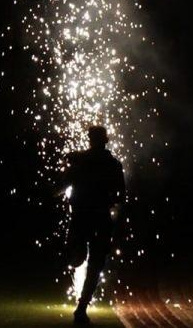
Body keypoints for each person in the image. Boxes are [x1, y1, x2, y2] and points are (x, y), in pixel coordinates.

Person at [61, 126, 126, 324]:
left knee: (81, 258)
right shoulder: (112, 164)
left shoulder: (80, 160)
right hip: (99, 219)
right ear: (105, 140)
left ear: (90, 140)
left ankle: (81, 305)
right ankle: (82, 306)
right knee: (95, 264)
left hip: (82, 217)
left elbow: (64, 182)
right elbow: (121, 195)